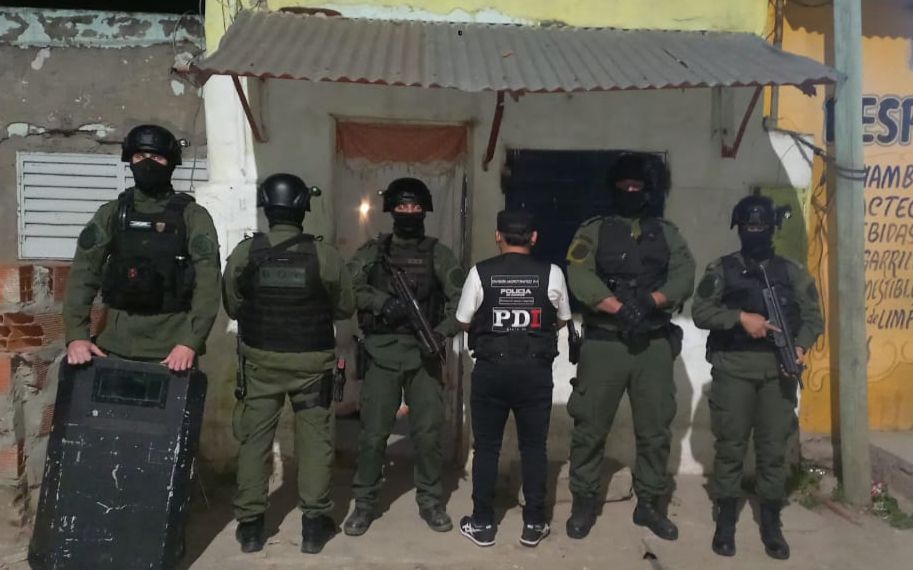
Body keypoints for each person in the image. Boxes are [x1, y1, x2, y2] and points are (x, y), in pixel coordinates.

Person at [564, 152, 695, 541]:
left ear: (648, 191)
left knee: (655, 430)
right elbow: (579, 275)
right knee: (590, 427)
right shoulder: (593, 230)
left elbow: (684, 275)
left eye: (638, 187)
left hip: (652, 344)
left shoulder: (667, 233)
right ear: (613, 189)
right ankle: (584, 501)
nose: (631, 192)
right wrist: (619, 308)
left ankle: (650, 504)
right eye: (624, 186)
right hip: (605, 343)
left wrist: (651, 301)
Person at [222, 173, 355, 555]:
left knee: (255, 441)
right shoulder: (324, 255)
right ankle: (313, 526)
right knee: (315, 442)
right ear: (302, 209)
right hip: (311, 363)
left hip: (261, 362)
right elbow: (345, 306)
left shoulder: (246, 253)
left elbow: (232, 304)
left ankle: (250, 528)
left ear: (267, 208)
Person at [692, 194, 823, 561]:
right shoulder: (722, 270)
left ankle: (770, 522)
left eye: (761, 226)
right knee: (730, 447)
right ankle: (726, 520)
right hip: (734, 368)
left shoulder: (792, 272)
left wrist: (800, 347)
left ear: (772, 228)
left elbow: (813, 318)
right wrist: (740, 319)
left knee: (773, 450)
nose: (755, 232)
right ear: (739, 228)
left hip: (778, 372)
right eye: (748, 226)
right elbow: (700, 311)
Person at [344, 177, 466, 536]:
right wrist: (382, 303)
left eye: (415, 206)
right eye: (402, 206)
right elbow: (348, 288)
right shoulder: (373, 251)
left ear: (424, 210)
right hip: (382, 352)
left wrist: (441, 332)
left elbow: (461, 299)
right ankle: (364, 502)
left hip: (424, 354)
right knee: (373, 435)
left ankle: (430, 500)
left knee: (428, 434)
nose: (409, 212)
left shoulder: (439, 254)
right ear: (391, 210)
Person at [455, 210, 571, 548]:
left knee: (487, 448)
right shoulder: (552, 273)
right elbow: (562, 319)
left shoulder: (481, 272)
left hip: (491, 370)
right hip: (535, 372)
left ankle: (482, 523)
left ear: (498, 236)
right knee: (533, 447)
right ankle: (534, 522)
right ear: (533, 237)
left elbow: (463, 320)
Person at [63, 123, 221, 370]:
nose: (147, 163)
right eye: (139, 156)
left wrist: (190, 342)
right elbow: (84, 274)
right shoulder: (112, 214)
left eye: (156, 157)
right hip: (113, 347)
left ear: (171, 163)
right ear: (130, 160)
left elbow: (208, 283)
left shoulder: (193, 217)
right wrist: (76, 336)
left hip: (172, 354)